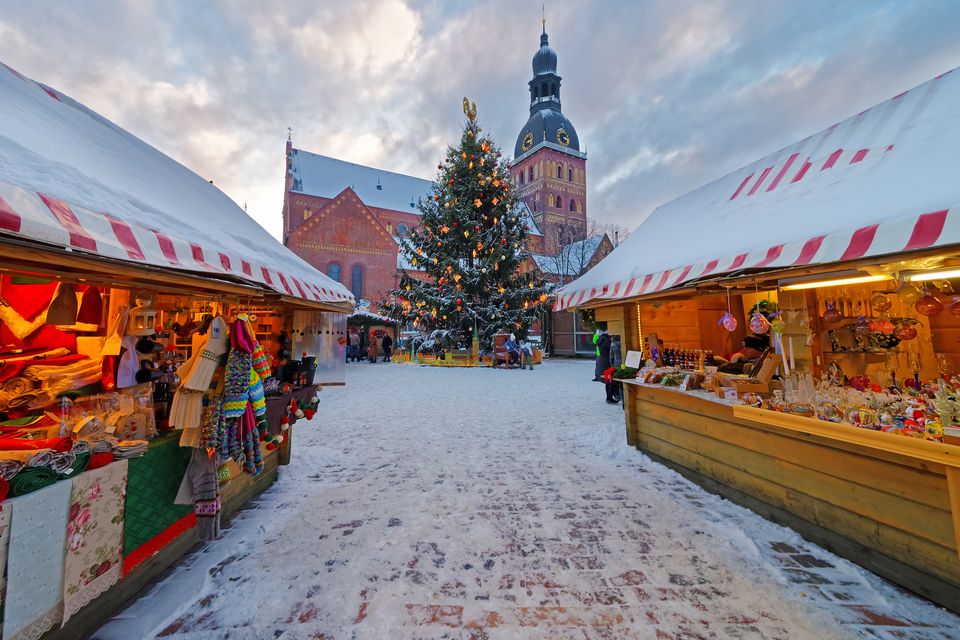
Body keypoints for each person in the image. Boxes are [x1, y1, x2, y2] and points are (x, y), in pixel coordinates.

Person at [595, 325, 612, 402]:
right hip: (608, 360)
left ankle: (609, 397)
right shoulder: (608, 340)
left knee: (608, 380)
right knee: (610, 379)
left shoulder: (600, 339)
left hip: (602, 359)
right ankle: (610, 397)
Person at [606, 334, 623, 404]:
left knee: (618, 382)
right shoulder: (623, 342)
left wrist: (612, 365)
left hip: (616, 364)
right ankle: (622, 397)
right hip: (625, 363)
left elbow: (611, 357)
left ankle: (619, 396)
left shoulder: (612, 344)